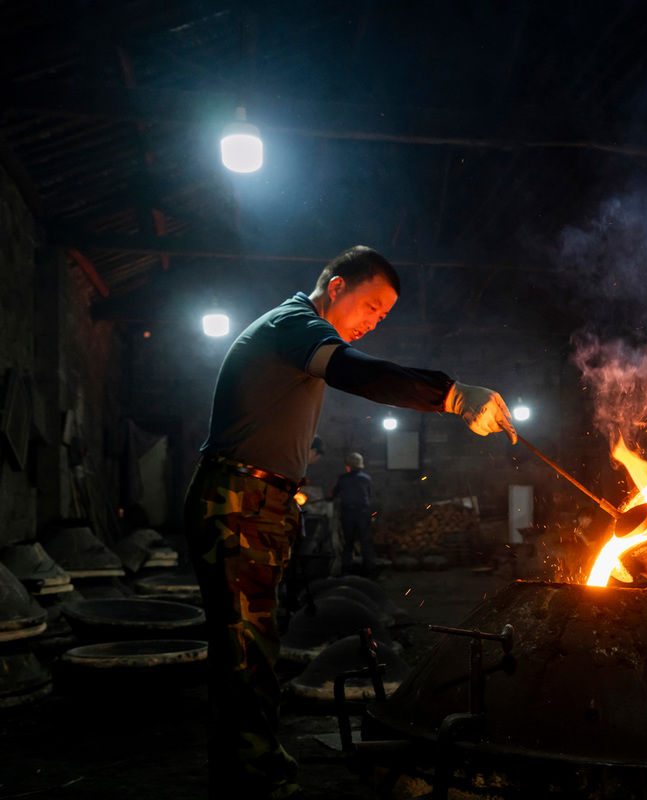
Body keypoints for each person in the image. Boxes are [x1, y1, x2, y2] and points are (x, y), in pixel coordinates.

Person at [183, 245, 517, 799]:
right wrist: (452, 395)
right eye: (371, 305)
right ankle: (257, 784)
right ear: (336, 287)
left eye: (383, 317)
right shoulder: (295, 326)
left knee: (250, 651)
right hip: (237, 504)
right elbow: (360, 375)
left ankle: (249, 773)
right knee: (247, 656)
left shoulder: (294, 336)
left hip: (255, 505)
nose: (373, 323)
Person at [331, 451, 375, 577]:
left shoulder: (343, 478)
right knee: (365, 542)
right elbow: (369, 495)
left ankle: (345, 570)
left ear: (348, 465)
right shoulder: (366, 478)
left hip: (348, 513)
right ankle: (370, 570)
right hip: (363, 513)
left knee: (348, 542)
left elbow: (333, 494)